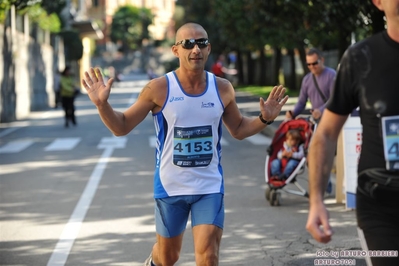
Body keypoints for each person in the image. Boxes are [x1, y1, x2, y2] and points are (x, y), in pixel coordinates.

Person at [82, 22, 288, 266]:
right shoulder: (157, 88)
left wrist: (265, 118)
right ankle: (153, 261)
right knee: (168, 257)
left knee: (208, 256)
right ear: (175, 50)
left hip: (209, 186)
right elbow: (122, 126)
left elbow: (240, 129)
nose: (196, 49)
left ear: (209, 48)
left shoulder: (222, 88)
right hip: (171, 187)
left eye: (201, 43)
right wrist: (102, 105)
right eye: (188, 44)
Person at [305, 1, 399, 265]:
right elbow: (324, 135)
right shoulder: (361, 58)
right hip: (382, 208)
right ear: (378, 2)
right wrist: (316, 201)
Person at [285, 48, 336, 122]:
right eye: (308, 64)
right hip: (317, 119)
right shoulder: (307, 79)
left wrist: (321, 110)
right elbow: (301, 102)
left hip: (332, 118)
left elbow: (334, 99)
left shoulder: (332, 75)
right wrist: (293, 112)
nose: (312, 66)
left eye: (315, 63)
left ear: (322, 60)